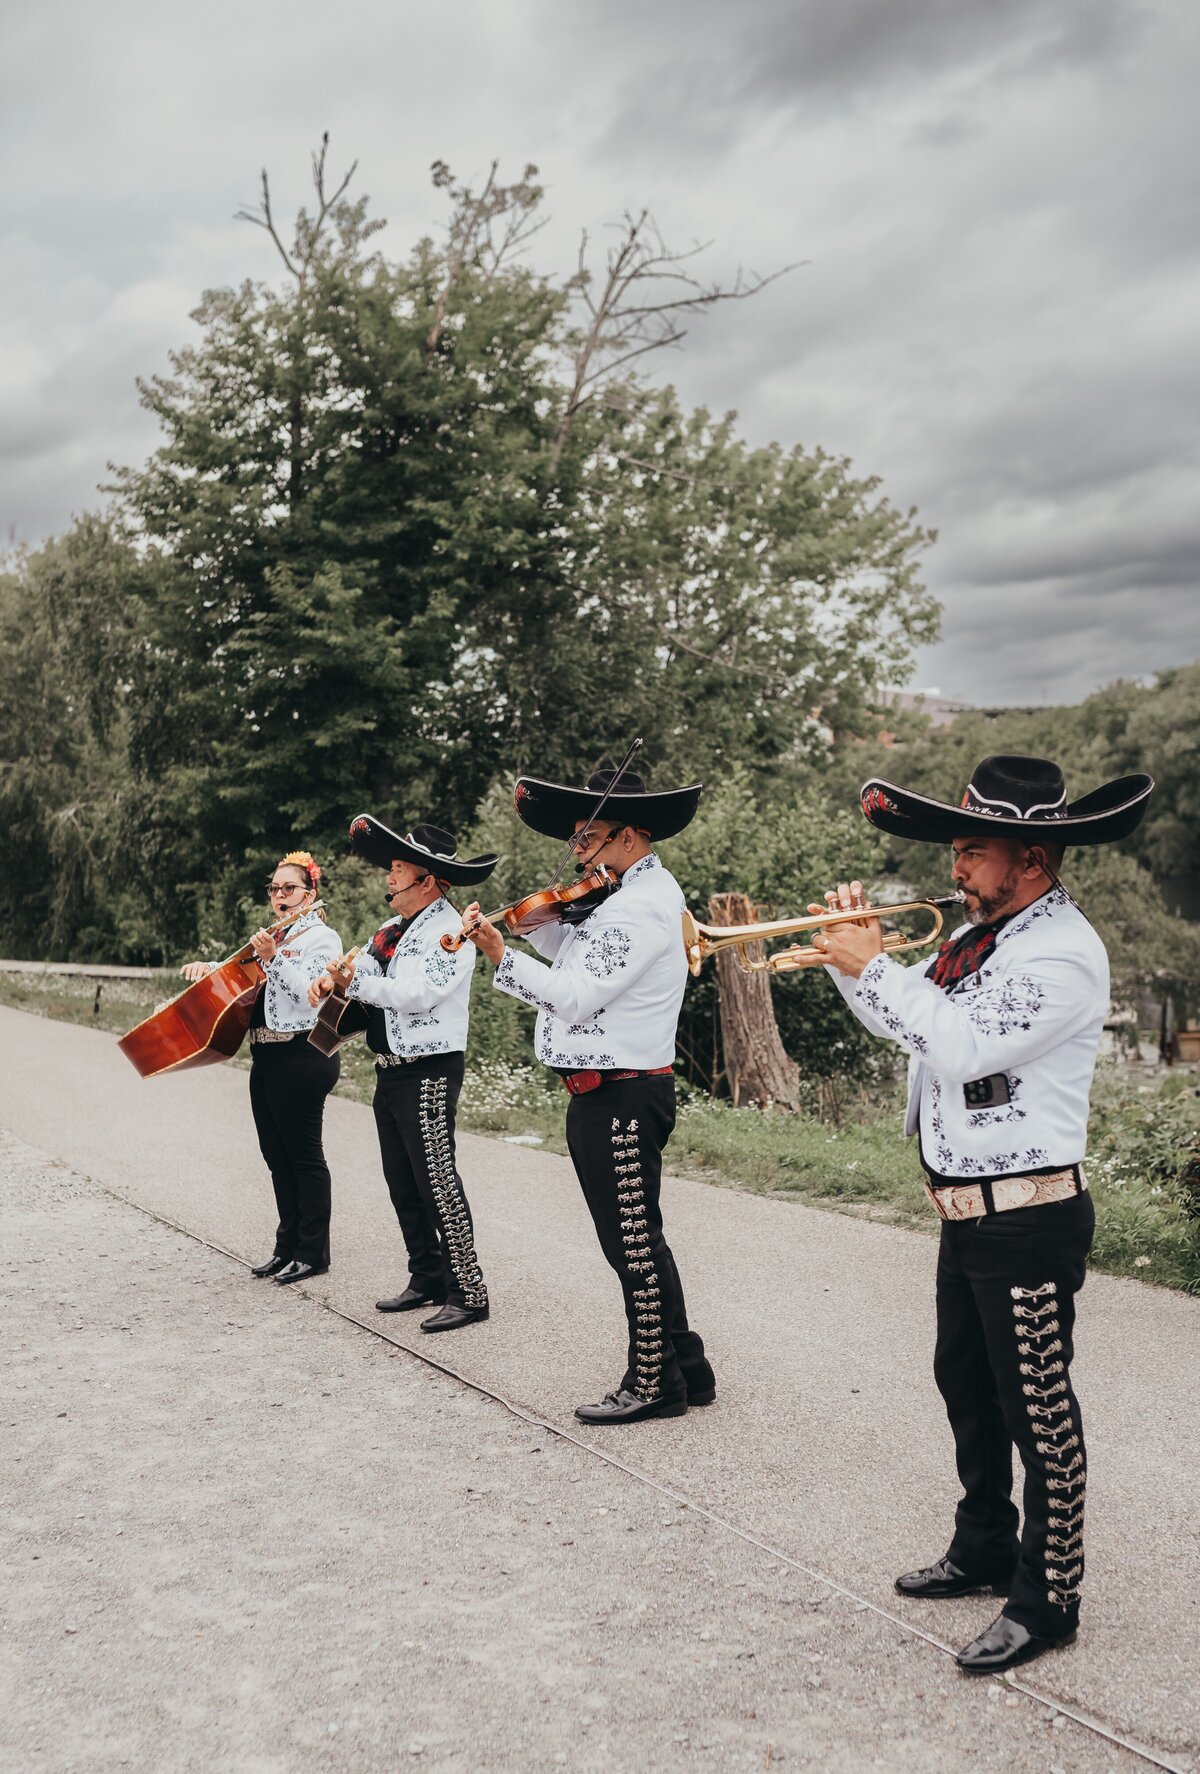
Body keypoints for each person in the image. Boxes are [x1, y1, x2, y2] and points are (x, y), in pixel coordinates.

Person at [811, 754, 1153, 1674]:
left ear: (1031, 858)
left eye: (971, 852)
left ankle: (1050, 1598)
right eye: (958, 850)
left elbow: (960, 1045)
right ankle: (984, 1544)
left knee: (1036, 1405)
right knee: (964, 1384)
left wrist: (877, 966)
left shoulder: (1062, 953)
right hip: (965, 1209)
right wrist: (856, 961)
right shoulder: (978, 941)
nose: (955, 868)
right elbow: (908, 1021)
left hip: (1028, 1217)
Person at [461, 765, 716, 1424]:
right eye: (576, 839)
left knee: (631, 1244)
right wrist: (536, 924)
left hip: (621, 1097)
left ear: (632, 836)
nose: (578, 851)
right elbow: (574, 957)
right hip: (606, 1094)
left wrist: (499, 955)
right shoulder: (617, 895)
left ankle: (655, 1382)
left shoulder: (640, 906)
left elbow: (574, 997)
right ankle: (687, 1364)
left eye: (590, 838)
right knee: (639, 1238)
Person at [310, 818, 497, 1333]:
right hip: (391, 1070)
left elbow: (418, 994)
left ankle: (469, 1291)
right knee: (403, 1181)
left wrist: (359, 984)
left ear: (429, 879)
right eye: (391, 869)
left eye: (397, 869)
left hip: (431, 1068)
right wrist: (337, 977)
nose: (389, 879)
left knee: (437, 1179)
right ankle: (427, 1276)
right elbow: (365, 975)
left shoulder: (450, 930)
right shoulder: (390, 931)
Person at [181, 851, 343, 1285]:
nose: (279, 896)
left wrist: (273, 957)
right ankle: (286, 1247)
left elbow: (310, 996)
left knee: (303, 1156)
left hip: (303, 1054)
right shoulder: (277, 935)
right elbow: (242, 975)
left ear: (310, 893)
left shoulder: (321, 938)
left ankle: (313, 1252)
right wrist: (209, 969)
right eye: (274, 888)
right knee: (276, 1156)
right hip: (267, 1055)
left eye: (288, 888)